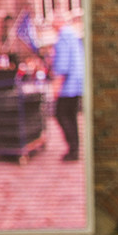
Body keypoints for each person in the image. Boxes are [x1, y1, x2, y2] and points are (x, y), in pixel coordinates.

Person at [50, 18, 84, 161]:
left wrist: (56, 86)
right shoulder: (74, 35)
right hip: (77, 85)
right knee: (72, 117)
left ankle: (73, 148)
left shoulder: (63, 37)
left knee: (61, 115)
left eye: (53, 25)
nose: (53, 28)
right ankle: (75, 148)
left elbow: (63, 65)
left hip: (67, 87)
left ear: (58, 23)